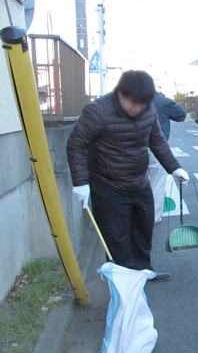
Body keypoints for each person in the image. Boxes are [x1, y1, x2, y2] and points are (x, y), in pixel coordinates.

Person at [67, 71, 189, 280]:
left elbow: (157, 141)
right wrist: (81, 182)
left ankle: (143, 272)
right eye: (133, 103)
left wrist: (174, 168)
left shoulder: (147, 109)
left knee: (143, 229)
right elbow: (76, 145)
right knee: (116, 237)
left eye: (142, 103)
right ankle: (122, 281)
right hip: (108, 185)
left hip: (139, 182)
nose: (138, 108)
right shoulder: (97, 112)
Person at [149, 89, 187, 224]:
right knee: (157, 182)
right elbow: (181, 114)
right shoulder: (163, 101)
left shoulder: (130, 98)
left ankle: (134, 215)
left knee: (136, 182)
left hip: (133, 148)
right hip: (157, 149)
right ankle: (153, 217)